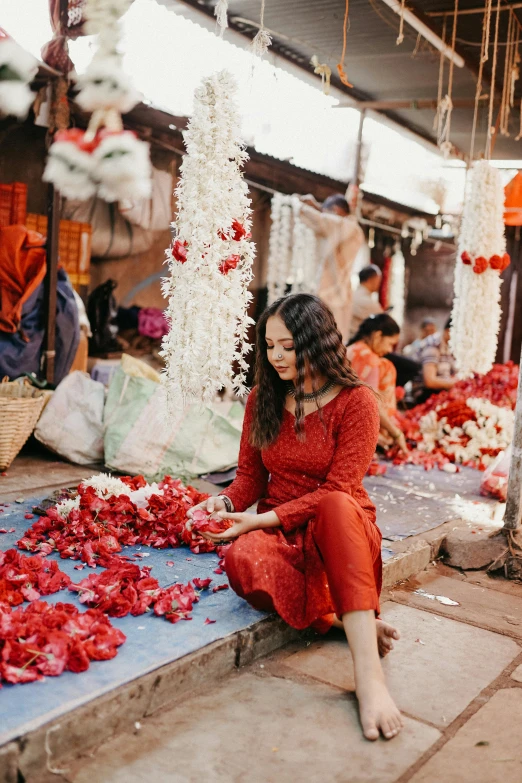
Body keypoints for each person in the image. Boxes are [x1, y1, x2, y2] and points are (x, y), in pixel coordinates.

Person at [187, 293, 403, 742]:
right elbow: (248, 478)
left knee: (335, 506)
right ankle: (341, 621)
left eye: (287, 345)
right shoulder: (263, 399)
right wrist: (224, 505)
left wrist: (263, 520)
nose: (276, 356)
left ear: (316, 342)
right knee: (241, 560)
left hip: (341, 531)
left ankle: (369, 679)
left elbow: (337, 491)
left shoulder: (358, 402)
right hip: (281, 533)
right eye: (269, 346)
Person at [299, 193, 364, 343]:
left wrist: (298, 205)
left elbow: (321, 220)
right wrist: (318, 207)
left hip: (334, 297)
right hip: (335, 297)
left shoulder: (348, 226)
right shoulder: (347, 228)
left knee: (324, 345)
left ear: (335, 210)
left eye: (326, 210)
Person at [347, 314, 408, 454]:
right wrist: (396, 433)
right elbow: (372, 405)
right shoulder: (370, 360)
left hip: (337, 420)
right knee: (387, 366)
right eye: (390, 344)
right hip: (352, 427)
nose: (389, 350)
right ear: (378, 335)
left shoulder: (351, 349)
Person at [413, 317, 457, 404]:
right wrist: (456, 383)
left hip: (441, 391)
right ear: (449, 331)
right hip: (425, 393)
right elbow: (429, 381)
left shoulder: (448, 346)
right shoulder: (433, 346)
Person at [349, 265, 383, 340]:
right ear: (371, 279)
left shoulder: (353, 295)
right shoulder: (368, 302)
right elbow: (383, 321)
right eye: (378, 280)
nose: (379, 284)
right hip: (356, 341)